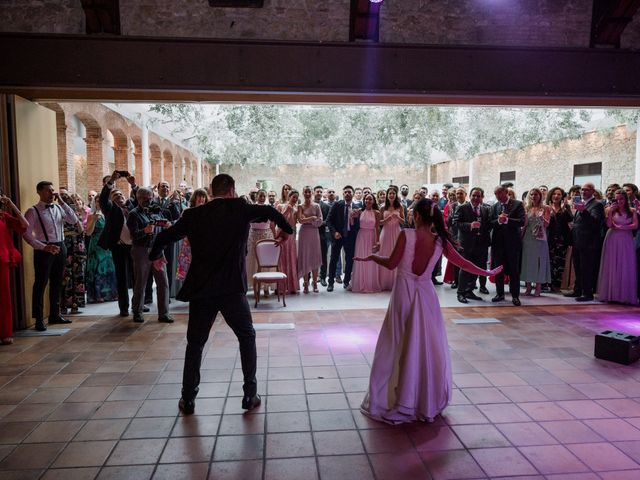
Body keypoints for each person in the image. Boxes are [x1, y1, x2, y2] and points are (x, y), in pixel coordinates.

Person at [149, 174, 293, 415]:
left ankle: (188, 398)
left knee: (195, 344)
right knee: (246, 337)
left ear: (213, 190)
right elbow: (270, 210)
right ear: (232, 190)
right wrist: (286, 231)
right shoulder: (241, 209)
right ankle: (249, 394)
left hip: (202, 290)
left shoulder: (193, 215)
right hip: (231, 289)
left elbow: (164, 236)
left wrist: (156, 255)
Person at [355, 198, 501, 424]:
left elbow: (392, 263)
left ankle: (399, 400)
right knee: (423, 346)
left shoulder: (407, 235)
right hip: (425, 297)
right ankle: (422, 398)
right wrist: (486, 273)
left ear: (418, 216)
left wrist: (373, 257)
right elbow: (462, 263)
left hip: (404, 294)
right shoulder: (439, 241)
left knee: (396, 343)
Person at [24, 181, 79, 331]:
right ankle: (39, 319)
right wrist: (44, 247)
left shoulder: (59, 208)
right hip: (43, 249)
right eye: (48, 190)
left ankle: (55, 314)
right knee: (40, 284)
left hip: (61, 246)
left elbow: (73, 220)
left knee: (57, 282)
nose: (52, 193)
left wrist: (62, 202)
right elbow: (27, 235)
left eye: (53, 190)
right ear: (39, 192)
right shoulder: (32, 211)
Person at [127, 187, 174, 323]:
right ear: (138, 198)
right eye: (144, 198)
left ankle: (164, 313)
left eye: (149, 198)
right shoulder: (133, 214)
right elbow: (133, 236)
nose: (147, 201)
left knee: (163, 281)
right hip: (141, 250)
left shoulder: (156, 210)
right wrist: (145, 231)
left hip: (157, 250)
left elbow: (162, 222)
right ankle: (137, 311)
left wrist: (167, 225)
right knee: (140, 282)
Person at [98, 171, 139, 316]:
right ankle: (123, 308)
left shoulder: (132, 207)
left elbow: (140, 198)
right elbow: (103, 199)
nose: (120, 197)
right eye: (115, 196)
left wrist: (133, 185)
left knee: (136, 277)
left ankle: (137, 305)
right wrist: (111, 182)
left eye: (121, 195)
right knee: (122, 278)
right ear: (111, 200)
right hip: (118, 247)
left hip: (134, 246)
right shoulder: (110, 209)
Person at [597, 189, 638, 305]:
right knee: (612, 264)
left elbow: (635, 225)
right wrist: (610, 212)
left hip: (626, 239)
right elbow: (609, 225)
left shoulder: (632, 210)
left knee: (625, 264)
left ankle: (624, 295)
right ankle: (611, 294)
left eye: (621, 199)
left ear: (625, 199)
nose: (619, 201)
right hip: (612, 238)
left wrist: (620, 227)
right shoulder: (610, 210)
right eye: (617, 199)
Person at [565, 182, 605, 302]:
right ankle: (578, 289)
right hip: (578, 240)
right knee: (578, 267)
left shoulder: (597, 205)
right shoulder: (581, 203)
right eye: (582, 190)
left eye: (586, 190)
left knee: (586, 268)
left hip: (589, 242)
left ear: (593, 191)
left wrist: (583, 211)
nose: (583, 192)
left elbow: (595, 222)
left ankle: (587, 293)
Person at [452, 187, 491, 303]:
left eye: (478, 196)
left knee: (476, 269)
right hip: (466, 244)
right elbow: (456, 223)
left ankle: (469, 290)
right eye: (474, 195)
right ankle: (461, 293)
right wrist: (470, 225)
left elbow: (487, 225)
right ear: (469, 196)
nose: (475, 198)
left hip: (481, 245)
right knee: (465, 269)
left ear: (482, 197)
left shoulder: (485, 210)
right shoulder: (462, 208)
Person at [490, 185, 526, 306]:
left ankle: (515, 296)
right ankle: (499, 294)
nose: (498, 196)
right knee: (498, 270)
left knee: (514, 271)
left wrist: (507, 220)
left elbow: (522, 221)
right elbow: (490, 222)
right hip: (498, 244)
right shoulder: (494, 206)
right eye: (496, 194)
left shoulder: (517, 204)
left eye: (499, 193)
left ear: (506, 192)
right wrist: (498, 221)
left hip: (512, 244)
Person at [0, 193, 28, 344]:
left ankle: (5, 333)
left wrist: (12, 206)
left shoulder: (3, 216)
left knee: (4, 297)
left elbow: (25, 225)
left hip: (2, 259)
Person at [326, 185, 361, 291]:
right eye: (345, 192)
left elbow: (360, 225)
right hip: (338, 236)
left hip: (350, 237)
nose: (347, 194)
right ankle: (331, 283)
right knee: (333, 259)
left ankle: (346, 282)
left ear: (353, 193)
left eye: (349, 192)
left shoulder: (357, 207)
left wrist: (357, 218)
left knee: (349, 260)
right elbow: (328, 221)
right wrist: (334, 232)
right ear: (343, 194)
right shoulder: (337, 205)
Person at [85, 197, 118, 303]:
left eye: (102, 200)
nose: (100, 203)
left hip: (107, 245)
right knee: (98, 269)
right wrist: (94, 219)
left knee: (109, 268)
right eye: (98, 201)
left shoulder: (109, 215)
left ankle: (110, 294)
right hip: (96, 244)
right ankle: (98, 294)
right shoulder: (91, 215)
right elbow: (88, 233)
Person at [521, 188, 551, 297]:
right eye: (532, 194)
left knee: (539, 262)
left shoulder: (546, 208)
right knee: (527, 261)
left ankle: (538, 287)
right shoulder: (526, 207)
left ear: (540, 196)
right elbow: (524, 225)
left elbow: (547, 224)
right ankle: (528, 287)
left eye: (536, 194)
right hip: (528, 237)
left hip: (540, 238)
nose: (534, 196)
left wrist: (542, 218)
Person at [351, 193, 382, 293]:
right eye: (366, 199)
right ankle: (360, 283)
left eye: (370, 199)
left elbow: (377, 227)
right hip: (361, 236)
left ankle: (370, 283)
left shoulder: (377, 213)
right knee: (361, 258)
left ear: (373, 201)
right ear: (364, 201)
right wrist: (352, 215)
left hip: (372, 236)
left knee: (371, 259)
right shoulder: (360, 211)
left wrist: (377, 241)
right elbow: (351, 223)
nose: (368, 201)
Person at [177, 188, 209, 282]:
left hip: (203, 243)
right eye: (199, 196)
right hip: (189, 243)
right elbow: (180, 227)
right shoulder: (187, 211)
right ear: (194, 198)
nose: (201, 198)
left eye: (203, 196)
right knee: (189, 271)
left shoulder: (208, 212)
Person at [297, 186, 323, 293]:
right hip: (304, 233)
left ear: (311, 193)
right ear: (303, 193)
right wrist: (312, 218)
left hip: (314, 233)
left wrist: (309, 220)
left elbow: (320, 220)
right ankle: (306, 284)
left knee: (314, 257)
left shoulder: (316, 206)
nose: (307, 193)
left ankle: (315, 284)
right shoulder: (300, 206)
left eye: (309, 191)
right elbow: (300, 220)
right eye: (305, 192)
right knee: (305, 257)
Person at [546, 187, 573, 292]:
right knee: (550, 261)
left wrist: (563, 209)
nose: (556, 196)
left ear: (562, 197)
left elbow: (570, 219)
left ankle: (557, 285)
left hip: (562, 239)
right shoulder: (547, 207)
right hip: (550, 238)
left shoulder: (566, 207)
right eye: (554, 194)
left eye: (559, 194)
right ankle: (549, 284)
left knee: (560, 262)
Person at [378, 186, 404, 290]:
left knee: (396, 255)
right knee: (385, 254)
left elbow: (404, 222)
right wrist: (386, 220)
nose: (391, 195)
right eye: (390, 194)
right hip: (386, 233)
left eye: (393, 193)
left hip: (397, 232)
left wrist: (398, 217)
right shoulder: (382, 207)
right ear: (387, 196)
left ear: (396, 195)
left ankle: (396, 281)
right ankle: (384, 281)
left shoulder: (400, 207)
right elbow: (379, 222)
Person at [314, 185, 331, 287]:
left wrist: (319, 222)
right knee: (310, 256)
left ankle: (323, 277)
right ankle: (310, 278)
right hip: (310, 234)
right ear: (314, 192)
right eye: (317, 191)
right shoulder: (308, 204)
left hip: (322, 234)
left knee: (323, 257)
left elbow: (328, 221)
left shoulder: (326, 207)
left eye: (321, 192)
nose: (319, 193)